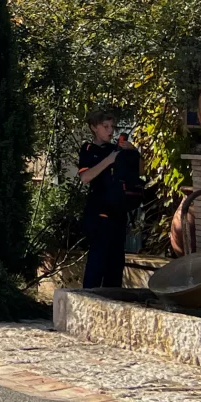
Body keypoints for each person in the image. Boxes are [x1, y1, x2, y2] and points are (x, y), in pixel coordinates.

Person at [77, 108, 140, 289]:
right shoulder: (89, 149)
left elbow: (140, 172)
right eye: (105, 126)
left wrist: (133, 152)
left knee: (115, 265)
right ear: (94, 128)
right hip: (99, 213)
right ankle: (89, 300)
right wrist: (109, 160)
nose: (110, 131)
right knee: (97, 262)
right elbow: (85, 177)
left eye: (112, 126)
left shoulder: (117, 149)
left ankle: (112, 303)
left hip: (118, 213)